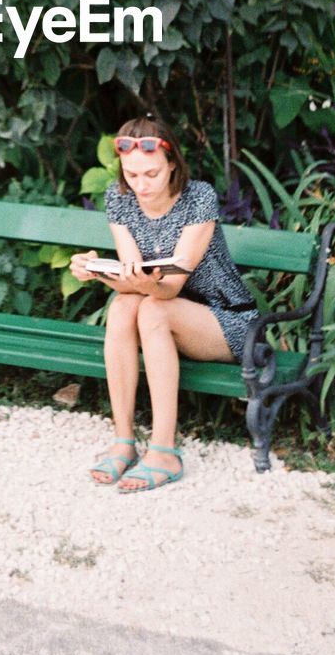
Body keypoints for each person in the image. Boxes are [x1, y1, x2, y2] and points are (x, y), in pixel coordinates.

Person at [70, 113, 258, 493]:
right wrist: (94, 269)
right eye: (132, 175)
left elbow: (169, 288)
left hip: (229, 322)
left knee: (153, 308)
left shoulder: (198, 198)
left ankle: (164, 450)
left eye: (151, 174)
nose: (141, 185)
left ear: (172, 165)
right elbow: (131, 280)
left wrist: (138, 283)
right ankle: (123, 441)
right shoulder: (119, 198)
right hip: (164, 317)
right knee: (122, 307)